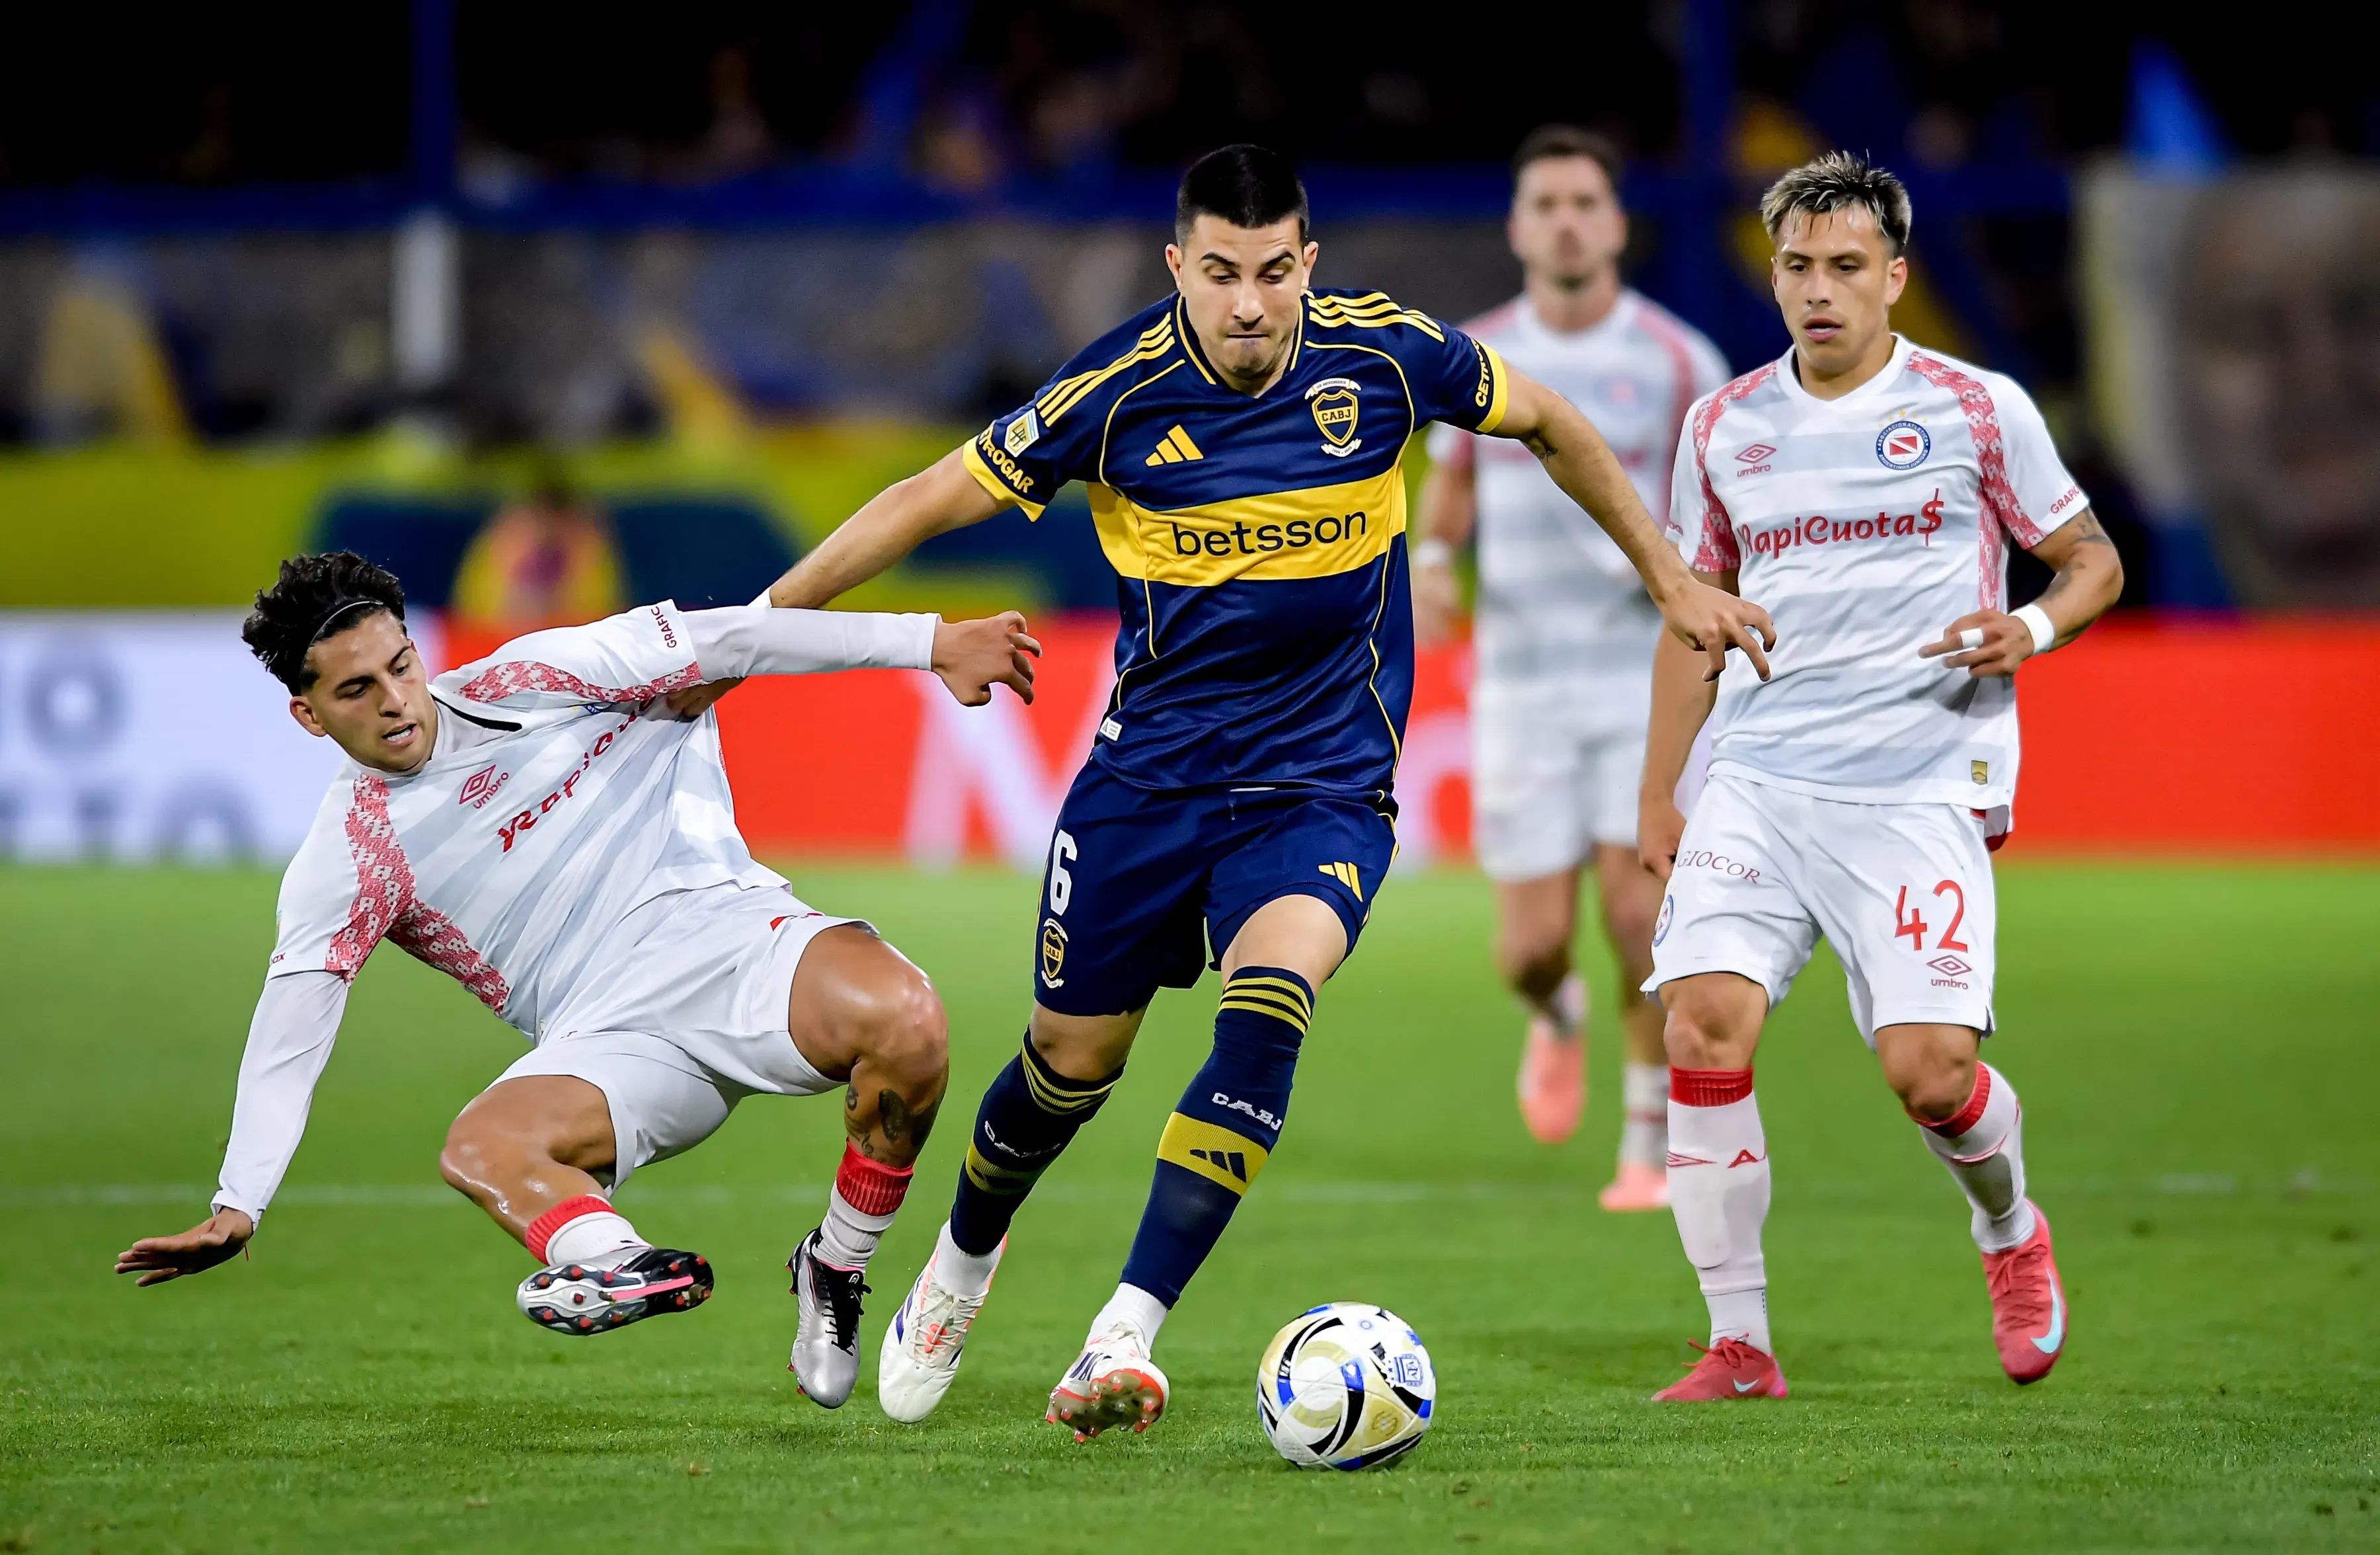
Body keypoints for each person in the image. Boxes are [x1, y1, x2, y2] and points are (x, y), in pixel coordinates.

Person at [674, 143, 1773, 1440]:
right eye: (1220, 274)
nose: (1249, 303)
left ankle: (1122, 1333)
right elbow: (925, 499)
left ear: (1307, 265)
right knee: (1069, 1066)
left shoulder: (1385, 356)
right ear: (1177, 268)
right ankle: (963, 1261)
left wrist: (1667, 578)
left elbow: (1548, 420)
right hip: (1149, 783)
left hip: (1322, 782)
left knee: (1272, 1002)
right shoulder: (1117, 390)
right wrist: (747, 636)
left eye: (1272, 273)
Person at [113, 550, 1041, 1412]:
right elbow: (292, 1029)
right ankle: (619, 1262)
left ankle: (835, 1264)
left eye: (402, 664)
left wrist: (933, 642)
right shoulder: (347, 860)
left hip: (728, 936)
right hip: (609, 1041)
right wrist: (239, 1204)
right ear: (309, 715)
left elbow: (750, 635)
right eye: (358, 690)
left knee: (912, 1026)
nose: (398, 700)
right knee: (480, 1147)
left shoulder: (542, 676)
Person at [1639, 151, 2122, 1400]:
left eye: (1846, 266)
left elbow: (2091, 558)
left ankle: (2010, 1229)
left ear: (1895, 278)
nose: (1818, 290)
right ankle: (1738, 1341)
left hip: (1916, 784)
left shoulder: (1976, 406)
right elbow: (1694, 615)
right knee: (1701, 1018)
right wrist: (1659, 802)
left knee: (1932, 1075)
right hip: (1758, 773)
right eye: (1797, 266)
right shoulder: (1723, 426)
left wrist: (2036, 627)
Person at [1413, 126, 1731, 1207]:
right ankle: (1554, 1014)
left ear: (1616, 221)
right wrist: (1433, 558)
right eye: (1543, 202)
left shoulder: (1682, 361)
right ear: (1516, 226)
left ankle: (1647, 1143)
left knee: (1642, 917)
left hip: (1643, 678)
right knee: (1531, 947)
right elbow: (1448, 481)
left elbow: (1725, 501)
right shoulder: (1478, 353)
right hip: (1520, 678)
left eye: (1582, 201)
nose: (1564, 219)